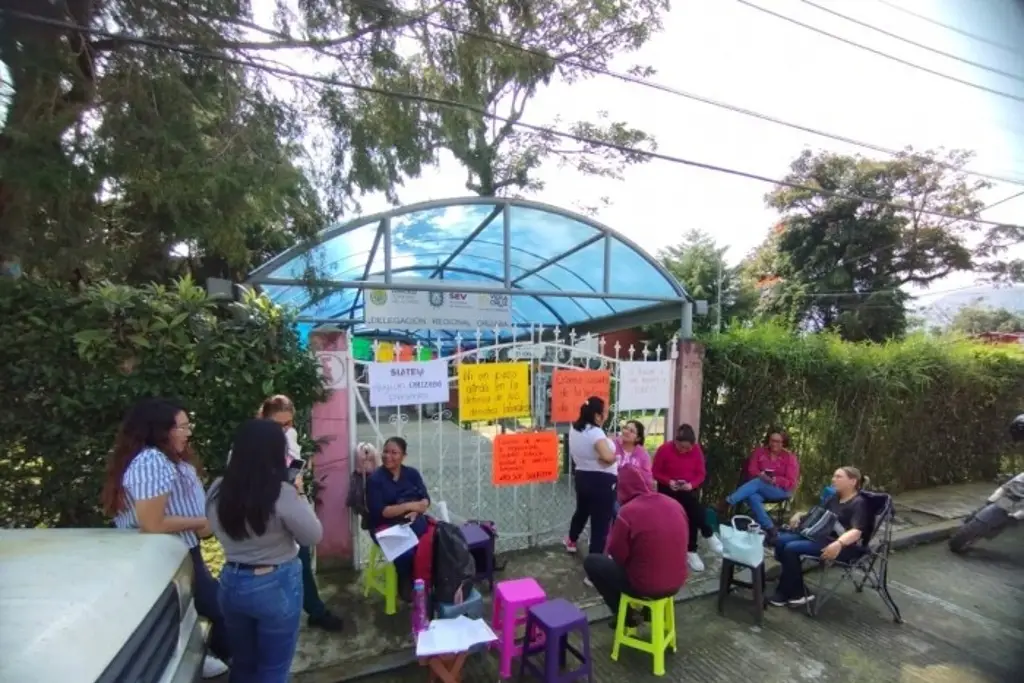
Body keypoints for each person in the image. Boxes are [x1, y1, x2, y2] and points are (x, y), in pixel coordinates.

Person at [101, 398, 230, 679]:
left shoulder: (167, 459)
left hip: (182, 550)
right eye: (181, 427)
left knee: (202, 607)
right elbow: (152, 522)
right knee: (215, 607)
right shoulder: (151, 461)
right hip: (163, 555)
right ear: (159, 430)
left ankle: (206, 655)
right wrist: (200, 522)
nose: (188, 432)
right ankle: (219, 657)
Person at [207, 419, 323, 682]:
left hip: (231, 581)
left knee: (243, 664)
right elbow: (313, 535)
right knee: (273, 669)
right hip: (275, 584)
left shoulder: (217, 488)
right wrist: (300, 494)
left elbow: (212, 527)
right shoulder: (281, 493)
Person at [259, 395, 344, 632]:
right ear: (264, 419)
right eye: (278, 424)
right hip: (265, 515)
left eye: (288, 423)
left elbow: (294, 464)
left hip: (290, 503)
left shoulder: (290, 436)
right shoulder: (251, 444)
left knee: (302, 560)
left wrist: (295, 480)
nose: (284, 429)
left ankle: (315, 610)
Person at [583, 466, 689, 626]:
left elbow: (617, 555)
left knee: (592, 563)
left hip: (645, 586)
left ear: (621, 489)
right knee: (651, 560)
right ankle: (649, 612)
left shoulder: (627, 512)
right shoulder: (674, 504)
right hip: (677, 582)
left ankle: (624, 615)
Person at [770, 466, 872, 607]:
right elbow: (817, 515)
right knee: (780, 541)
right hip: (819, 536)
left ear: (852, 481)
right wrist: (800, 515)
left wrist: (838, 544)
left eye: (838, 477)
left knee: (791, 549)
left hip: (842, 546)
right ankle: (798, 590)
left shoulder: (858, 503)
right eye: (834, 476)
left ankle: (785, 591)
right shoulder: (833, 498)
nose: (833, 479)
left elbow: (857, 532)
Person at [651, 423, 722, 572]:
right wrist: (669, 481)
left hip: (688, 488)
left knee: (692, 508)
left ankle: (691, 551)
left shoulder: (696, 451)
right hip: (668, 488)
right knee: (692, 507)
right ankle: (707, 532)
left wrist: (691, 484)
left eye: (687, 448)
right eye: (681, 447)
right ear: (675, 442)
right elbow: (655, 472)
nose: (684, 451)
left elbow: (701, 474)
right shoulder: (664, 449)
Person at [366, 436, 430, 596]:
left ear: (403, 456)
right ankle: (404, 579)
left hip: (411, 522)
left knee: (433, 542)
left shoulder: (412, 474)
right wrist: (409, 506)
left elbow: (425, 499)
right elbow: (381, 512)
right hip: (384, 526)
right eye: (386, 451)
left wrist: (417, 510)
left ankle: (426, 579)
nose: (388, 456)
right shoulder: (375, 480)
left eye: (394, 452)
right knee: (406, 551)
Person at [564, 396, 618, 557]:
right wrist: (616, 457)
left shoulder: (575, 428)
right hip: (601, 482)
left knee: (582, 511)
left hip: (582, 477)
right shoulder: (595, 433)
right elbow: (607, 457)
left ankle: (571, 540)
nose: (607, 415)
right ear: (597, 416)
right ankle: (594, 568)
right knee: (600, 524)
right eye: (605, 413)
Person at [724, 429, 801, 540]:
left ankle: (728, 502)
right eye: (772, 440)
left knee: (758, 482)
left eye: (778, 441)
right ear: (768, 441)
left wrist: (775, 480)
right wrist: (761, 474)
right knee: (752, 497)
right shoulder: (760, 452)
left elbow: (791, 482)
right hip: (760, 488)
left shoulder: (790, 458)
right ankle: (771, 529)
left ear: (783, 443)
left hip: (781, 490)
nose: (774, 444)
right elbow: (751, 469)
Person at [616, 420, 653, 489]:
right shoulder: (612, 445)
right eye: (626, 428)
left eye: (632, 431)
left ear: (638, 438)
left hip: (633, 493)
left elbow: (647, 479)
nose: (626, 432)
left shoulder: (643, 454)